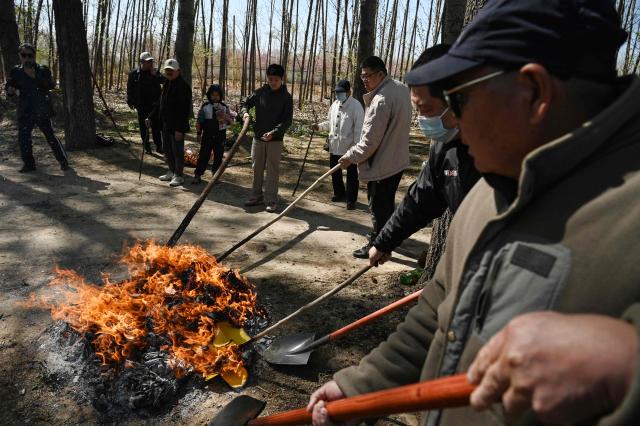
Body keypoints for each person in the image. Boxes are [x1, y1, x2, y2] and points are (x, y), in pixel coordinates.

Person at [307, 0, 640, 425]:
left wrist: (625, 363)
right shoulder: (489, 186)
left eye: (460, 100)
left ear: (533, 93)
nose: (455, 126)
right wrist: (364, 383)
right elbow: (440, 309)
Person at [368, 45, 480, 267]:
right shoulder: (443, 146)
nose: (421, 120)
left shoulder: (503, 150)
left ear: (458, 100)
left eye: (426, 110)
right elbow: (421, 199)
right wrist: (384, 242)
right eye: (416, 110)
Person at [339, 56, 412, 258]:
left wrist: (349, 156)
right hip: (397, 159)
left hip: (384, 163)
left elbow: (370, 141)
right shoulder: (401, 88)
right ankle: (388, 238)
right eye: (362, 76)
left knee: (379, 206)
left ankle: (378, 245)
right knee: (386, 204)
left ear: (381, 74)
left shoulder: (381, 100)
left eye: (367, 76)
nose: (364, 80)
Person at [5, 42, 68, 173]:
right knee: (23, 138)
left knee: (50, 136)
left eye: (30, 55)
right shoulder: (15, 71)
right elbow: (9, 88)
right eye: (24, 55)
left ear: (34, 56)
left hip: (41, 109)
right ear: (20, 56)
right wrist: (10, 91)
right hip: (25, 110)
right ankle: (29, 164)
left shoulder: (43, 69)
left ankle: (63, 161)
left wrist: (35, 76)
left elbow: (51, 85)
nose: (27, 58)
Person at [241, 63, 294, 213]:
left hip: (275, 141)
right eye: (270, 79)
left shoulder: (286, 98)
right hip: (258, 138)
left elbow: (287, 121)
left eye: (276, 80)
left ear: (281, 79)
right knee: (256, 167)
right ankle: (256, 195)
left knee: (272, 170)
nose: (272, 82)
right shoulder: (260, 93)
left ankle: (271, 199)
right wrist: (245, 112)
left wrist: (274, 133)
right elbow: (244, 102)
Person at [312, 79, 364, 210]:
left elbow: (359, 131)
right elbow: (330, 123)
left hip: (350, 148)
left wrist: (355, 149)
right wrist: (319, 127)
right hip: (334, 146)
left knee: (352, 175)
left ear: (348, 92)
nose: (338, 95)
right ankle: (339, 193)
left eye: (341, 92)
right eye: (337, 92)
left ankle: (351, 199)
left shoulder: (356, 106)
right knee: (335, 173)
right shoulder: (334, 104)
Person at [147, 59, 192, 187]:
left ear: (178, 71)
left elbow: (184, 111)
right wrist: (150, 117)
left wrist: (180, 129)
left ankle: (179, 175)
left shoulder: (183, 87)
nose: (169, 72)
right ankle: (171, 171)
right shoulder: (167, 83)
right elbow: (160, 103)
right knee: (167, 149)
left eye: (171, 71)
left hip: (177, 126)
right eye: (167, 70)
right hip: (166, 123)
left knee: (177, 151)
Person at [192, 84, 235, 184]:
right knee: (203, 155)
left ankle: (215, 176)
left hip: (220, 137)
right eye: (213, 95)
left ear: (220, 96)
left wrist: (225, 117)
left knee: (218, 157)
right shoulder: (205, 107)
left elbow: (231, 122)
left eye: (217, 95)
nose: (215, 97)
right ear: (209, 95)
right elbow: (199, 121)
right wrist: (199, 133)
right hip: (207, 136)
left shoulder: (224, 107)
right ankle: (197, 174)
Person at [127, 51, 164, 154]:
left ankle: (159, 146)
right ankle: (146, 146)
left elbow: (165, 81)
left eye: (152, 61)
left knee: (156, 128)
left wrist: (155, 75)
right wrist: (130, 101)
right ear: (142, 62)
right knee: (143, 128)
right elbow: (130, 89)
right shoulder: (134, 74)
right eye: (149, 62)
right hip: (141, 106)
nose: (151, 63)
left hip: (155, 106)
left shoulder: (155, 72)